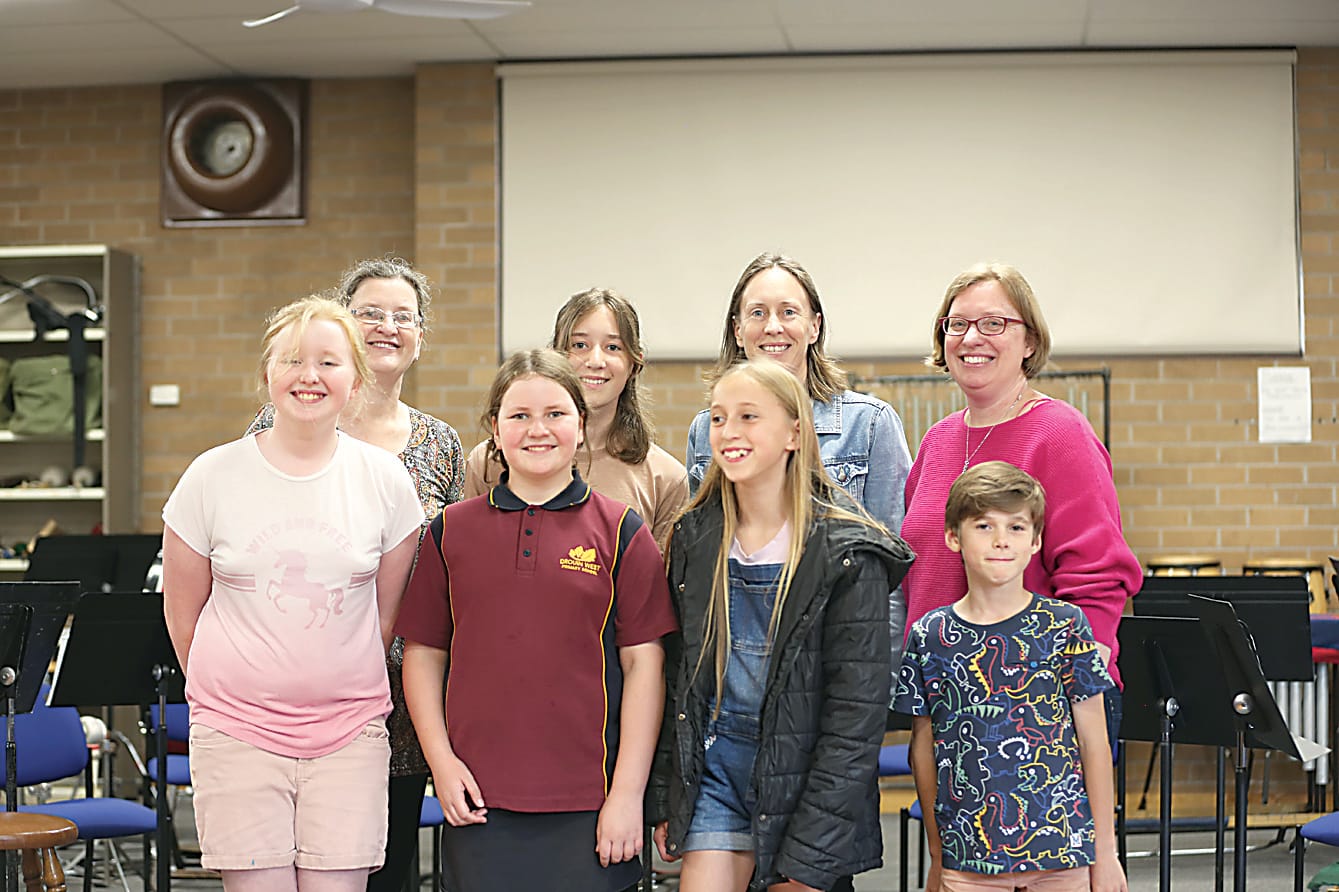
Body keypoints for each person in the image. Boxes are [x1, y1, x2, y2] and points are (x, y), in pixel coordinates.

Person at [162, 296, 424, 892]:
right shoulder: (210, 477)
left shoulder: (386, 482)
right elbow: (183, 615)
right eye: (293, 360)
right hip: (236, 729)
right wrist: (238, 686)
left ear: (355, 379)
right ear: (267, 375)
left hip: (349, 731)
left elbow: (386, 616)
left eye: (329, 362)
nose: (310, 376)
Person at [397, 349, 677, 892]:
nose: (537, 430)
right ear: (495, 432)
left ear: (580, 425)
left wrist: (626, 795)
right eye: (519, 415)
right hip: (478, 800)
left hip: (592, 804)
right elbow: (424, 655)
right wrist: (442, 764)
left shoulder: (622, 532)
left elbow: (645, 667)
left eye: (554, 413)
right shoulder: (450, 531)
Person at [650, 360, 914, 892]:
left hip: (807, 770)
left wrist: (812, 852)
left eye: (749, 416)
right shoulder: (695, 538)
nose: (730, 432)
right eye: (719, 419)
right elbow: (678, 679)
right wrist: (666, 794)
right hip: (716, 765)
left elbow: (854, 720)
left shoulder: (848, 551)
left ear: (795, 432)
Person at [247, 258, 464, 892]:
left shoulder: (441, 444)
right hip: (296, 691)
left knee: (388, 863)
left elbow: (449, 571)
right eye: (371, 313)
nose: (388, 327)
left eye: (404, 316)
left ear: (421, 336)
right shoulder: (279, 423)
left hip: (400, 695)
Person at [900, 262, 1141, 744]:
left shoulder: (1060, 434)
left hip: (1037, 701)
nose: (972, 338)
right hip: (947, 693)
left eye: (994, 323)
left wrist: (1065, 690)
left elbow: (1096, 575)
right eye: (958, 323)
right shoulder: (937, 441)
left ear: (1029, 341)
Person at [684, 253, 912, 701]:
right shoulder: (704, 431)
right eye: (757, 313)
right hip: (736, 681)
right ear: (737, 330)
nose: (773, 327)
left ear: (814, 327)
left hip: (833, 680)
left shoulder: (869, 426)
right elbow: (704, 565)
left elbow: (892, 576)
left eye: (789, 312)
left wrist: (872, 686)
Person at [894, 461, 1125, 892]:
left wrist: (1106, 854)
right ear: (952, 537)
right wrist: (937, 854)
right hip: (967, 861)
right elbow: (922, 751)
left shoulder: (1066, 625)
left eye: (1016, 528)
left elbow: (1094, 743)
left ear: (1036, 541)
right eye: (983, 526)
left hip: (1062, 853)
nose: (1001, 541)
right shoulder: (930, 635)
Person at [463, 287, 688, 548]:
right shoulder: (488, 462)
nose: (595, 360)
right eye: (579, 345)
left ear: (634, 363)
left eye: (613, 347)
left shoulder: (666, 478)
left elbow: (656, 584)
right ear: (555, 355)